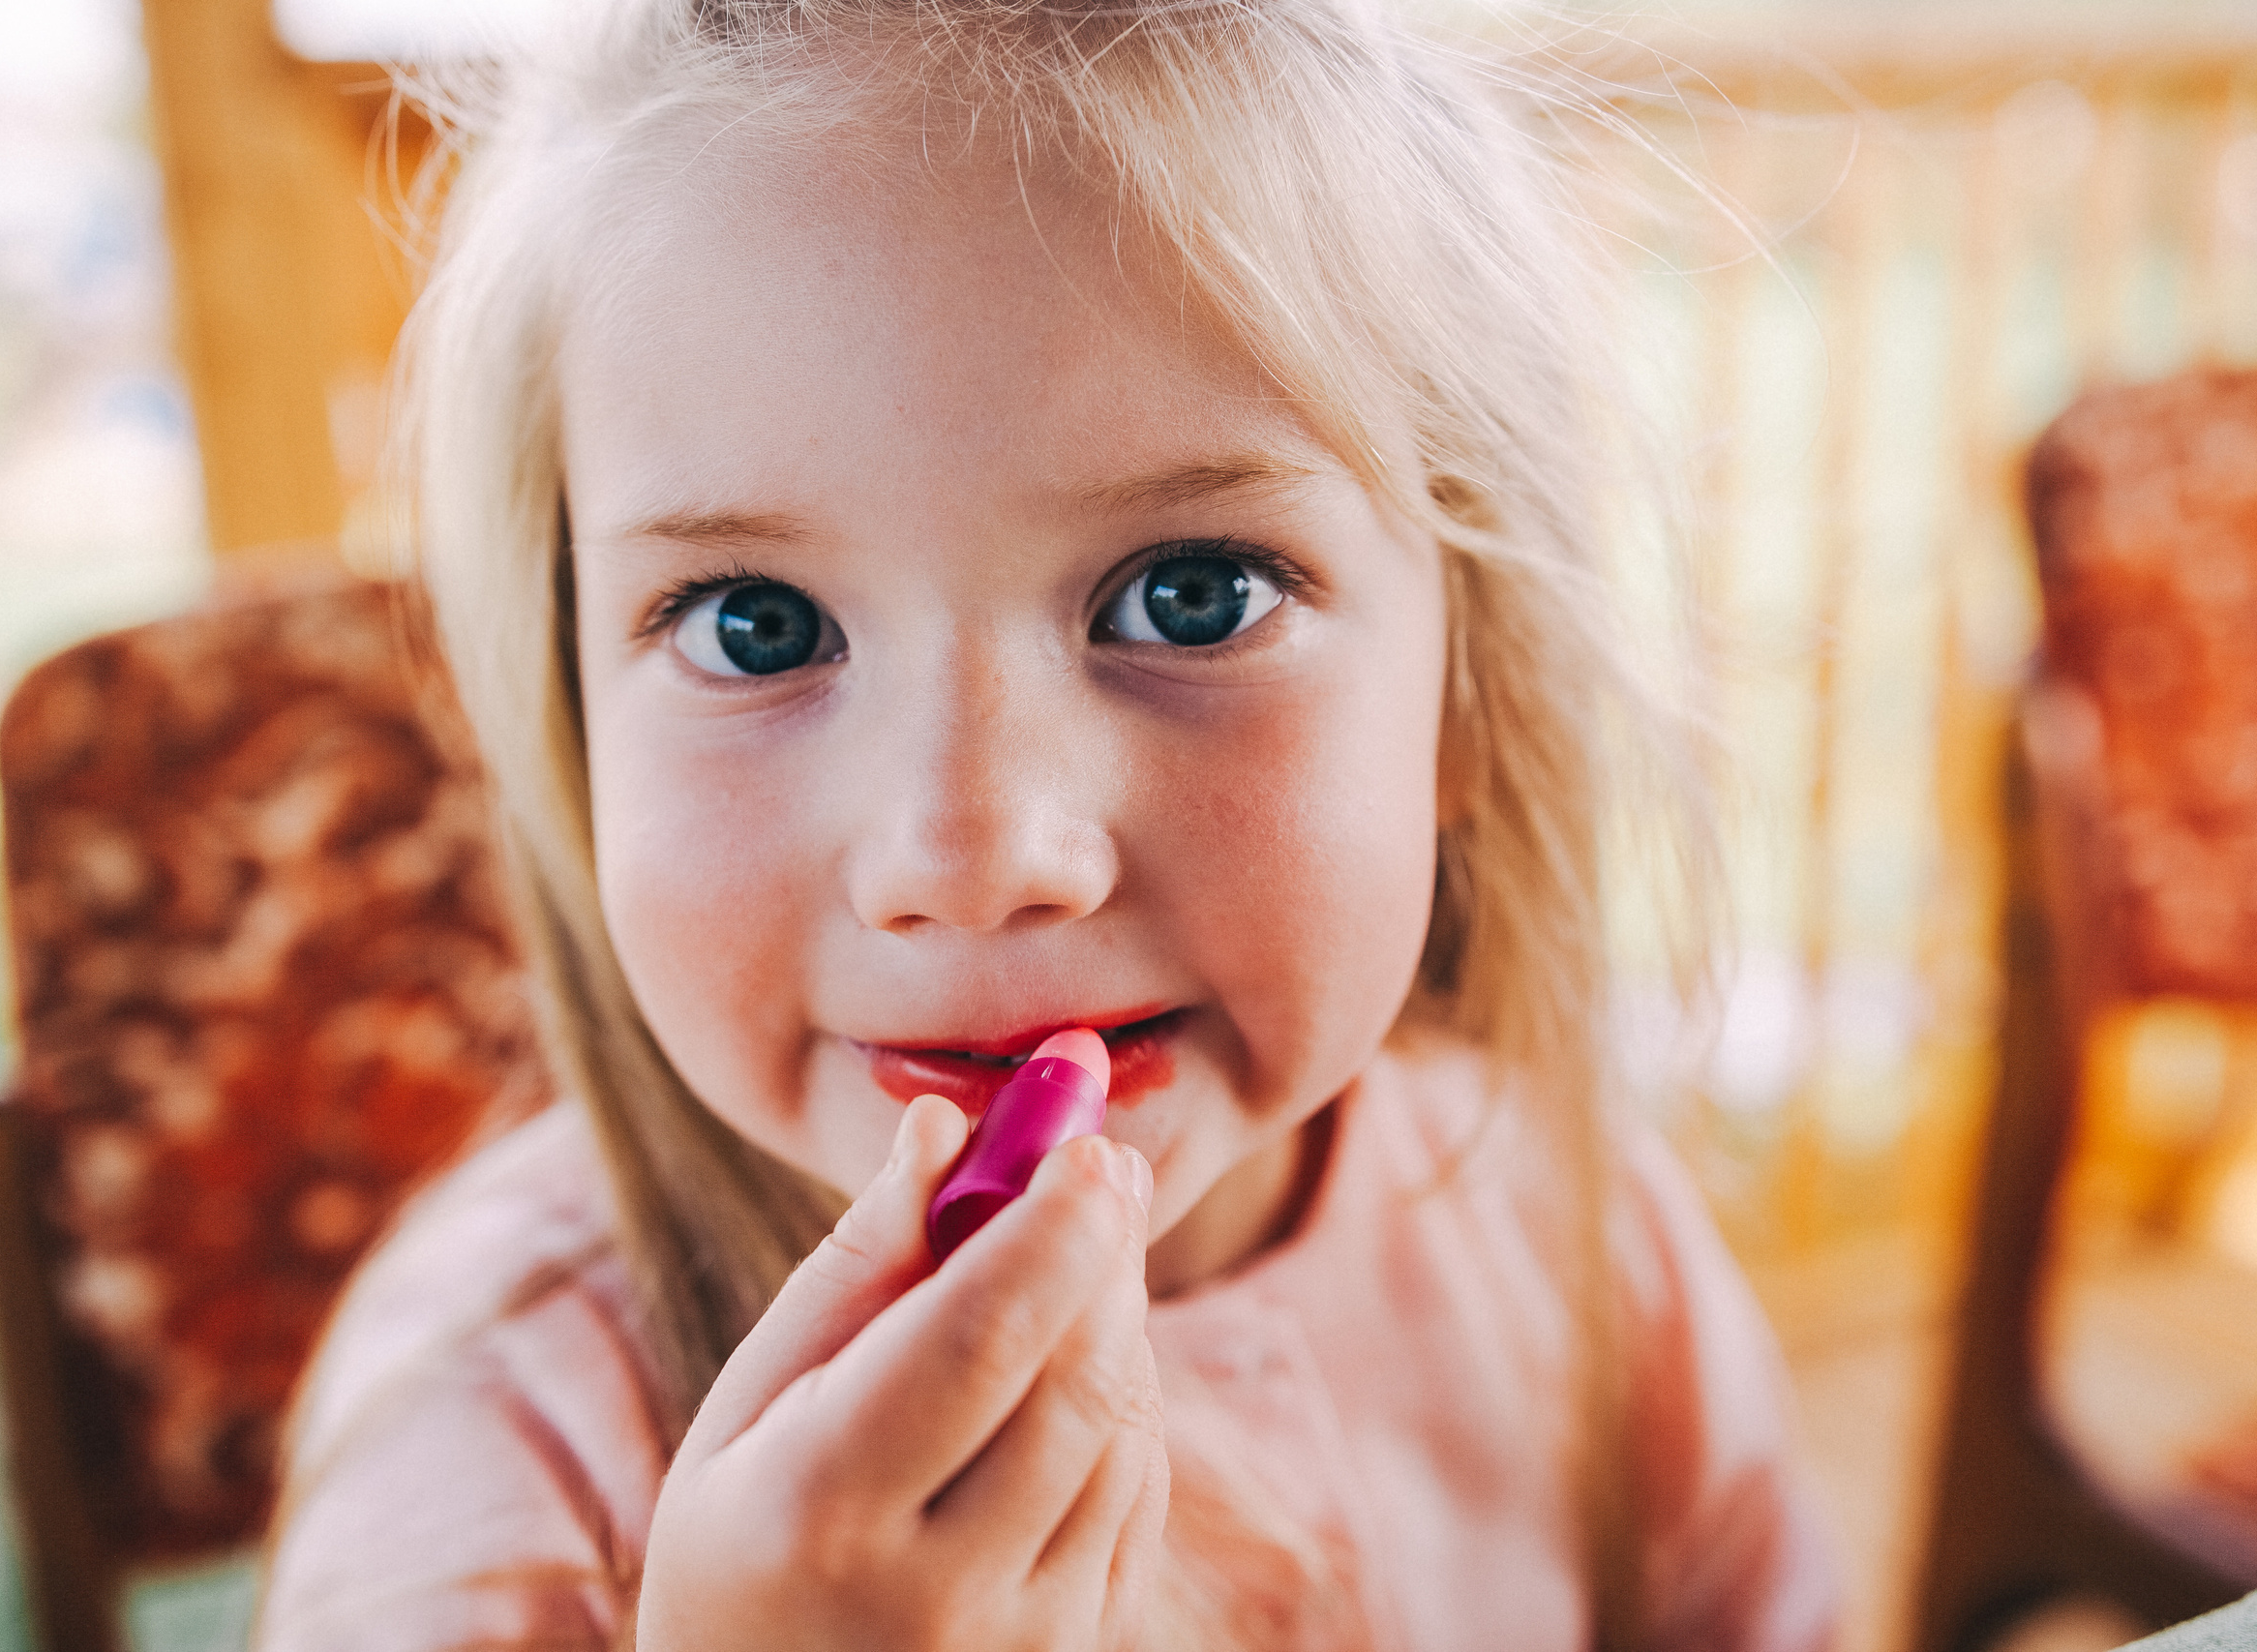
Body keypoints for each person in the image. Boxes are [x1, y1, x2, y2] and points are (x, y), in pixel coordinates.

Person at [256, 0, 1842, 1645]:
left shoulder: (1580, 1230)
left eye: (1193, 593)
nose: (973, 860)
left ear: (1469, 699)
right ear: (576, 728)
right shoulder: (490, 1449)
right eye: (757, 627)